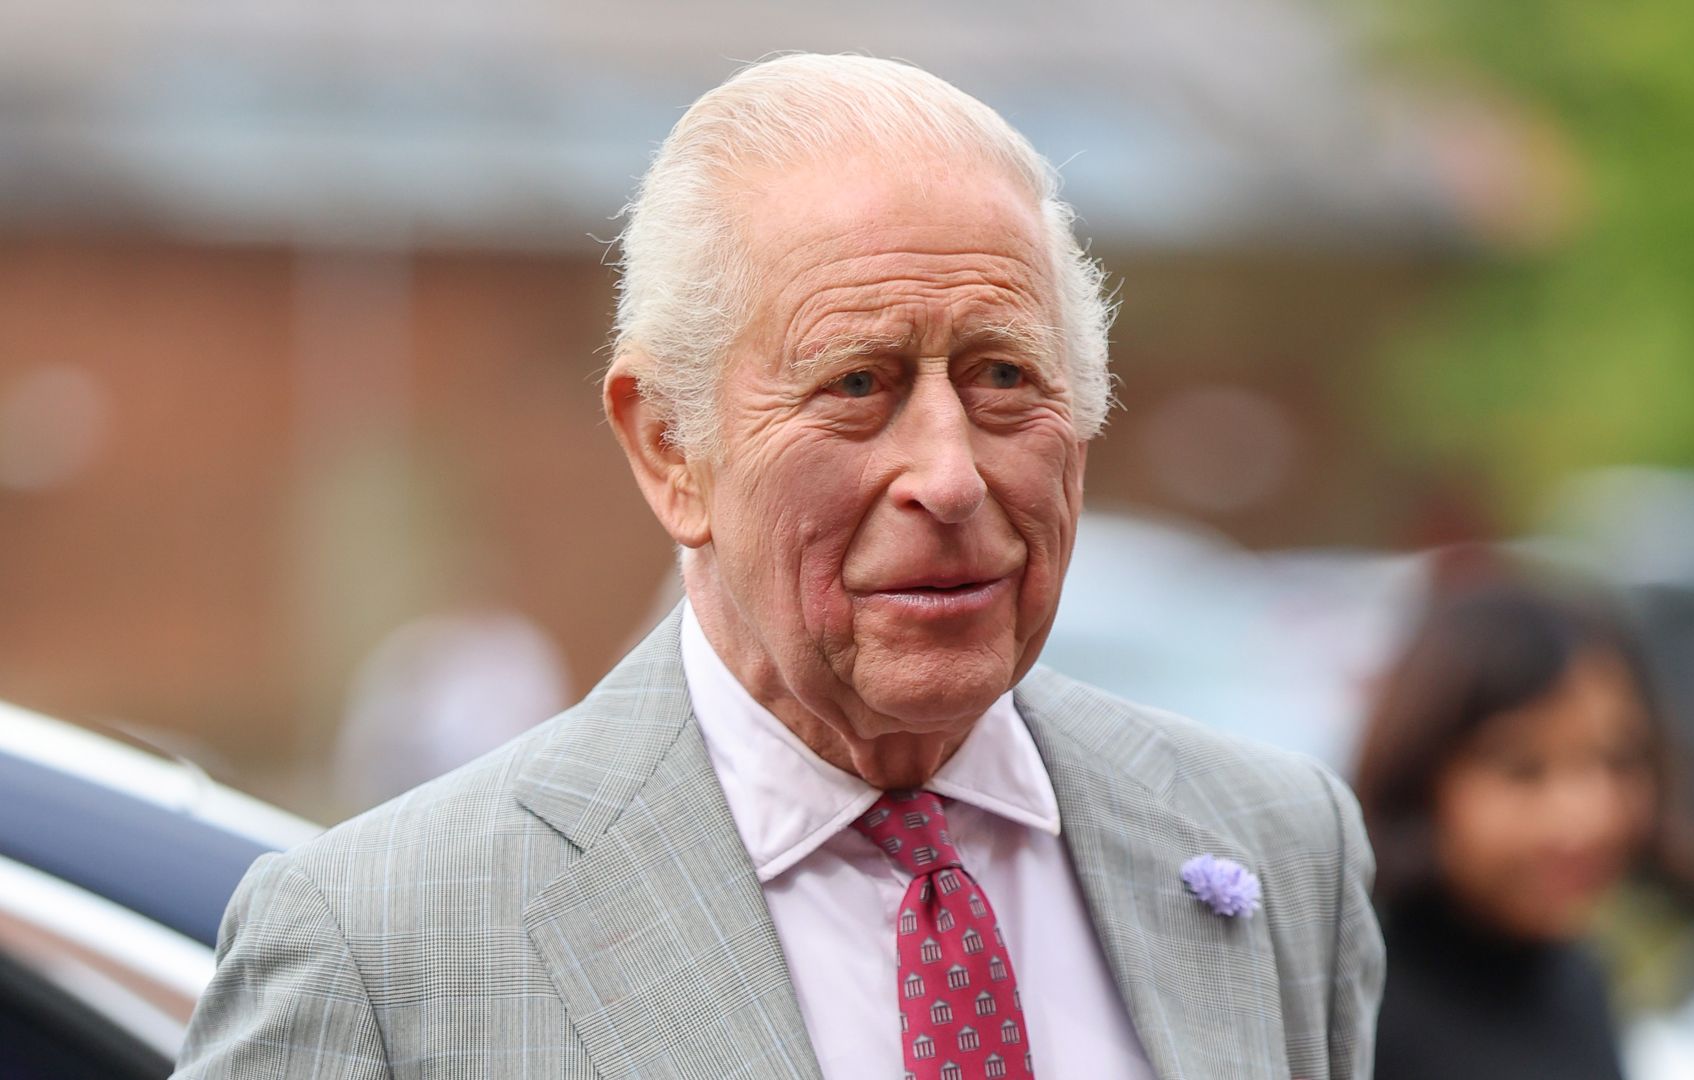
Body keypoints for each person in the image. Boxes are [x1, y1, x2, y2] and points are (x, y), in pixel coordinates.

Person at [174, 54, 1383, 1080]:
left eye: (1003, 377)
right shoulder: (383, 948)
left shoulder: (1275, 843)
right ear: (669, 449)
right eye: (858, 384)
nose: (950, 477)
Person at [1355, 576, 1690, 1080]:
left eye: (1618, 760)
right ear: (1421, 779)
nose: (1588, 817)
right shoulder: (1350, 1001)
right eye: (1524, 770)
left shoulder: (1578, 980)